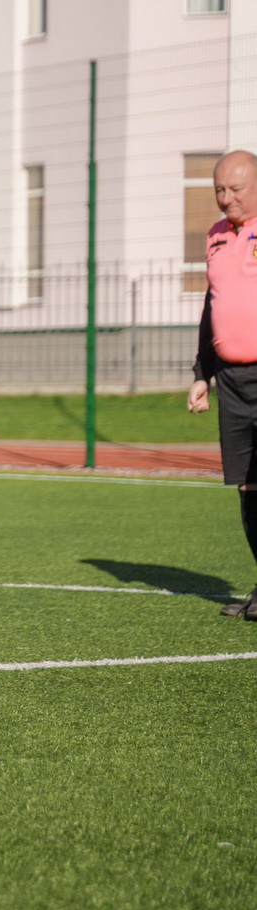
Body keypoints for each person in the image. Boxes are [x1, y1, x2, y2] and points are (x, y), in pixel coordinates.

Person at [189, 149, 257, 619]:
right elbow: (211, 307)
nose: (224, 198)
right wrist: (201, 374)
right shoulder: (215, 236)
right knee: (248, 489)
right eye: (218, 189)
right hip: (231, 381)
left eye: (235, 189)